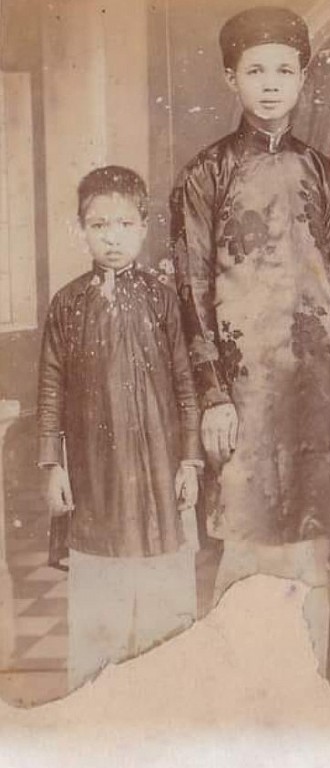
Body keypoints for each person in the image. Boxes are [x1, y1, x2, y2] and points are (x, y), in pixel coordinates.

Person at [170, 6, 330, 670]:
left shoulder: (322, 171)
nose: (270, 84)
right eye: (255, 71)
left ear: (303, 77)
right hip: (241, 387)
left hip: (314, 386)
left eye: (284, 70)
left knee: (309, 536)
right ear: (230, 78)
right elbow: (190, 291)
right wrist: (213, 392)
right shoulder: (206, 173)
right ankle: (241, 689)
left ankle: (308, 688)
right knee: (244, 534)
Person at [37, 166, 201, 690]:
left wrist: (190, 460)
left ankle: (164, 698)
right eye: (99, 224)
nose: (112, 236)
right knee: (100, 584)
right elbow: (50, 388)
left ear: (144, 227)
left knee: (162, 583)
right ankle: (96, 705)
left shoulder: (162, 298)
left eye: (125, 224)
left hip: (158, 464)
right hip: (93, 470)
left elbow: (184, 383)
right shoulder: (67, 303)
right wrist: (53, 464)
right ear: (80, 229)